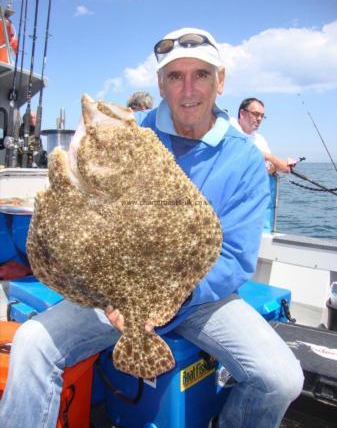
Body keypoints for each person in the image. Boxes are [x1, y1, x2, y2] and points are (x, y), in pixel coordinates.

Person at [0, 27, 303, 428]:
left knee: (281, 378)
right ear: (160, 83)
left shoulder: (244, 157)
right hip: (112, 293)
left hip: (200, 296)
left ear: (221, 80)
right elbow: (83, 211)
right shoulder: (129, 130)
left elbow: (233, 256)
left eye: (201, 74)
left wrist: (171, 300)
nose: (188, 88)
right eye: (175, 76)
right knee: (32, 342)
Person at [232, 98, 296, 174]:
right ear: (242, 113)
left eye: (262, 116)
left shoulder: (260, 139)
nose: (259, 119)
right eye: (255, 114)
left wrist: (273, 166)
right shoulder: (229, 127)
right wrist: (272, 159)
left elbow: (270, 165)